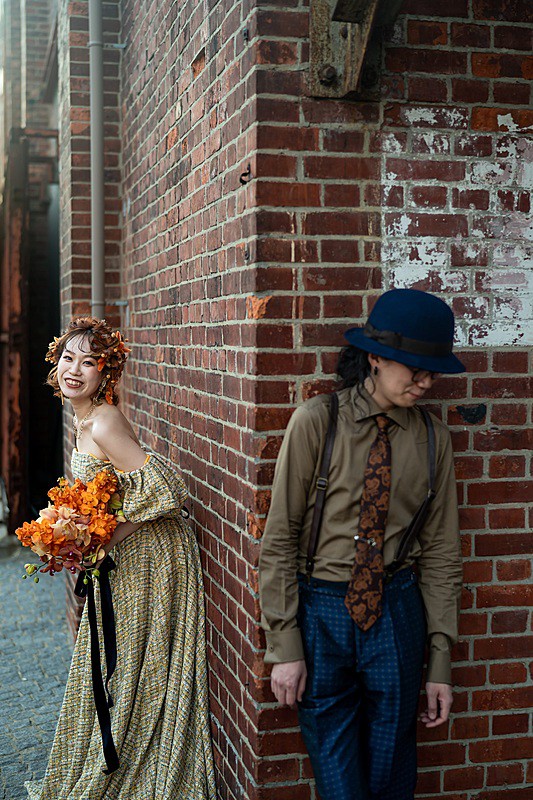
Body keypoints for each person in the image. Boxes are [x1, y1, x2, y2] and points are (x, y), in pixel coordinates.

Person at [259, 289, 464, 800]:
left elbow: (442, 553)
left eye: (433, 372)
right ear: (375, 357)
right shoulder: (317, 421)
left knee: (392, 776)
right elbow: (279, 537)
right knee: (338, 780)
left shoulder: (434, 440)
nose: (425, 382)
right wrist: (284, 645)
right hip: (322, 610)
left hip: (397, 610)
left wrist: (440, 662)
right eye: (414, 369)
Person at [26, 317, 217, 800]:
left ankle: (135, 760)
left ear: (105, 372)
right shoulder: (83, 416)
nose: (74, 370)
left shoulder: (104, 420)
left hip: (150, 552)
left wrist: (103, 539)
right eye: (68, 358)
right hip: (126, 550)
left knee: (131, 660)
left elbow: (169, 489)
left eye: (89, 362)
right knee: (116, 659)